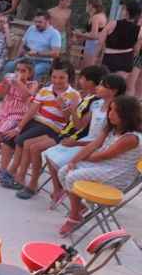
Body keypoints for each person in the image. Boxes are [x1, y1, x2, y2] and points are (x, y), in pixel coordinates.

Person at [57, 96, 142, 236]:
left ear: (127, 116)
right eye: (110, 110)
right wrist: (74, 160)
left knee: (73, 176)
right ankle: (79, 207)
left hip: (118, 173)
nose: (110, 114)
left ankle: (74, 217)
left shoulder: (131, 138)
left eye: (116, 111)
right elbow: (94, 145)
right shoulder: (111, 127)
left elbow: (103, 155)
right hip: (103, 165)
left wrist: (82, 159)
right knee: (64, 171)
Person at [0, 59, 80, 195]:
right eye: (54, 77)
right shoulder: (45, 90)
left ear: (69, 77)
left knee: (25, 142)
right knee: (13, 136)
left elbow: (69, 121)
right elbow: (32, 111)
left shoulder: (74, 95)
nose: (57, 81)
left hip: (54, 126)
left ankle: (19, 176)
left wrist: (63, 106)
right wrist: (19, 127)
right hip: (38, 121)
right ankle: (11, 172)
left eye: (62, 78)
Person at [46, 70, 121, 209]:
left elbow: (105, 140)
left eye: (103, 86)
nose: (98, 88)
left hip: (96, 145)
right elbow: (80, 125)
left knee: (61, 163)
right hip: (86, 140)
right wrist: (73, 108)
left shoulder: (116, 111)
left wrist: (76, 143)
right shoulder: (96, 104)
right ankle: (59, 190)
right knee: (50, 153)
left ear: (114, 91)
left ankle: (71, 198)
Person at [0, 59, 39, 164]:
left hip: (19, 113)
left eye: (23, 71)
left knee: (3, 130)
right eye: (17, 70)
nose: (19, 73)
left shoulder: (32, 84)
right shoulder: (11, 79)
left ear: (30, 73)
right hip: (5, 109)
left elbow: (27, 96)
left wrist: (18, 83)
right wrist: (5, 83)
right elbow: (3, 93)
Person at [2, 11, 62, 79]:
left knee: (35, 71)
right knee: (9, 65)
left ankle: (30, 88)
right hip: (27, 59)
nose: (37, 24)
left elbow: (56, 53)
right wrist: (18, 56)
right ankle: (5, 87)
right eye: (35, 21)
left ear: (48, 21)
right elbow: (23, 43)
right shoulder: (31, 28)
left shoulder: (54, 34)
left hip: (44, 61)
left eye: (40, 22)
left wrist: (37, 53)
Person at [100, 1, 142, 95]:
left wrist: (100, 53)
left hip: (110, 57)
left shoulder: (113, 24)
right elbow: (136, 50)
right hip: (126, 59)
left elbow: (100, 41)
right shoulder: (139, 30)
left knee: (105, 85)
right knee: (119, 88)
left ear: (126, 11)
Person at [73, 0, 107, 68]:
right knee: (86, 66)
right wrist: (83, 34)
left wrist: (79, 34)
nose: (86, 7)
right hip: (94, 44)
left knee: (87, 68)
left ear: (91, 6)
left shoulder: (96, 17)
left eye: (87, 5)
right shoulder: (101, 15)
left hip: (93, 44)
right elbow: (96, 32)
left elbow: (94, 35)